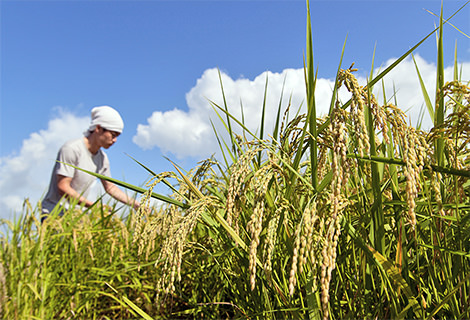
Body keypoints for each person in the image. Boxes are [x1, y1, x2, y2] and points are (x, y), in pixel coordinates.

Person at [41, 105, 140, 221]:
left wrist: (135, 204)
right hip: (55, 214)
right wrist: (94, 206)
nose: (115, 140)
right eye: (113, 135)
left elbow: (110, 187)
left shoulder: (102, 158)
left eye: (117, 136)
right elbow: (63, 187)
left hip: (77, 215)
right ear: (98, 128)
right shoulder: (72, 149)